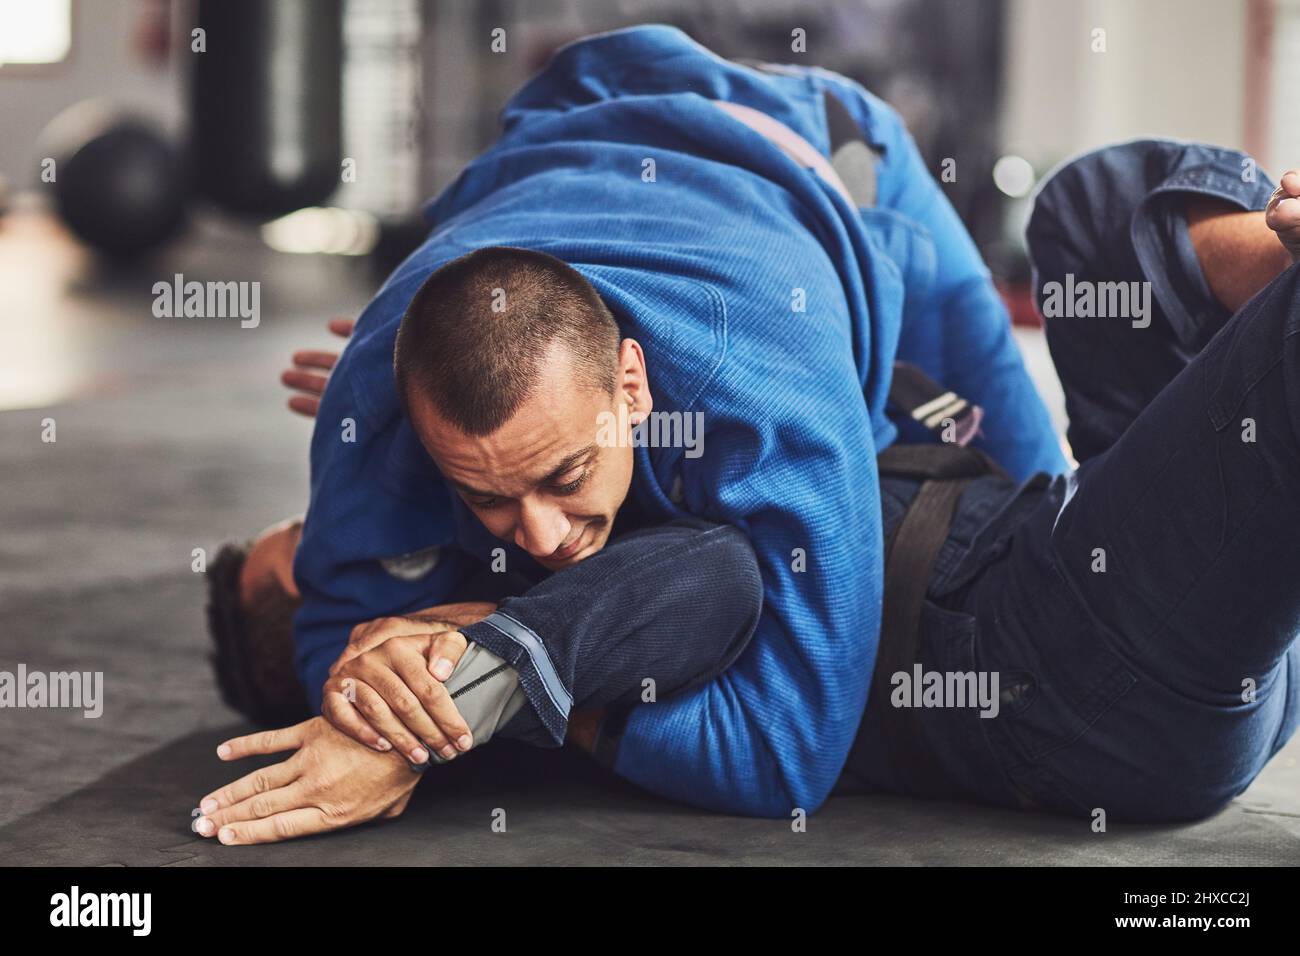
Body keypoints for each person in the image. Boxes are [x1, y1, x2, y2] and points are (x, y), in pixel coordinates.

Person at [194, 25, 1300, 846]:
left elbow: (497, 330)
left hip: (1052, 532)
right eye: (299, 548)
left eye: (562, 474)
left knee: (1093, 212)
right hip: (1092, 666)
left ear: (629, 384)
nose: (533, 536)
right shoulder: (592, 612)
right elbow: (760, 690)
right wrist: (474, 685)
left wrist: (397, 372)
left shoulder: (707, 401)